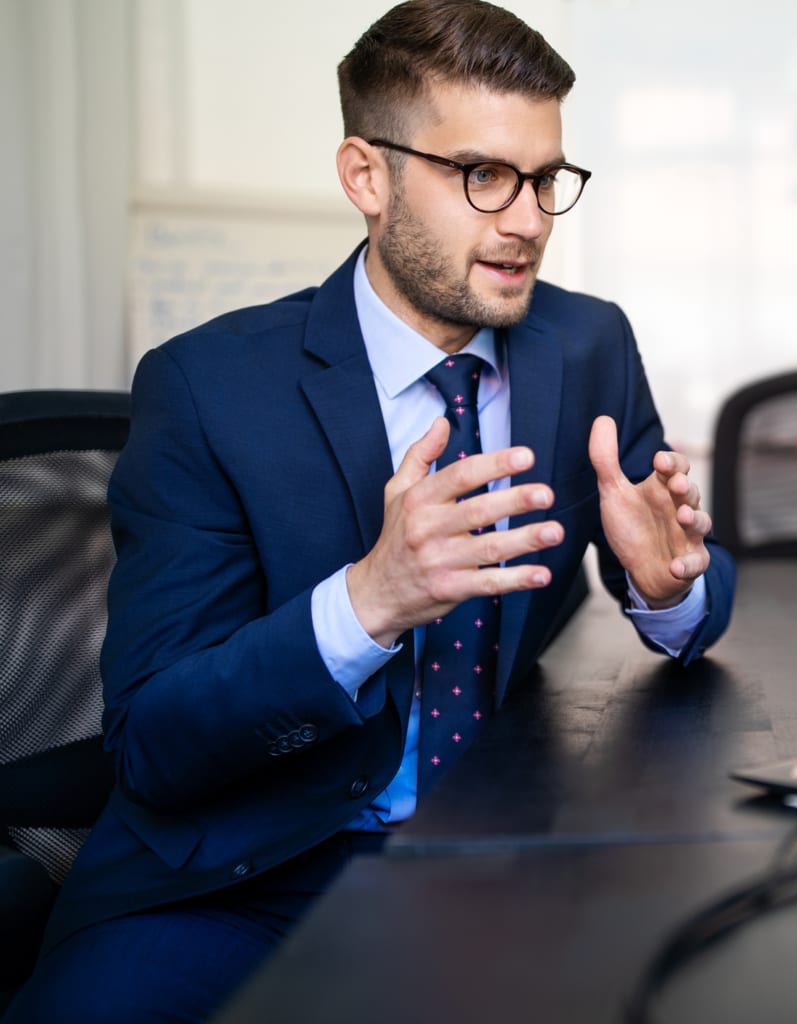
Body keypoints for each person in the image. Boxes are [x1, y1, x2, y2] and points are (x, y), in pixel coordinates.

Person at [2, 1, 735, 1020]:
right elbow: (154, 741)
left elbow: (680, 552)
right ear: (366, 177)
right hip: (235, 881)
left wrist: (670, 593)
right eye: (481, 174)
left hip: (494, 854)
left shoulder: (586, 344)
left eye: (545, 178)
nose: (525, 218)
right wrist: (370, 599)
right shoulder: (209, 387)